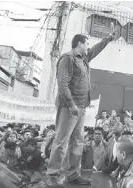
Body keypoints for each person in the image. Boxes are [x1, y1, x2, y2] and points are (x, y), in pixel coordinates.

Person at [46, 31, 115, 186]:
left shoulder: (83, 59)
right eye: (87, 43)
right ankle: (53, 175)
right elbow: (63, 84)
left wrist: (108, 38)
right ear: (80, 44)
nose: (88, 46)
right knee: (61, 141)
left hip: (81, 107)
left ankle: (73, 174)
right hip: (69, 107)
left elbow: (96, 49)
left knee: (78, 142)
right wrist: (71, 104)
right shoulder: (67, 59)